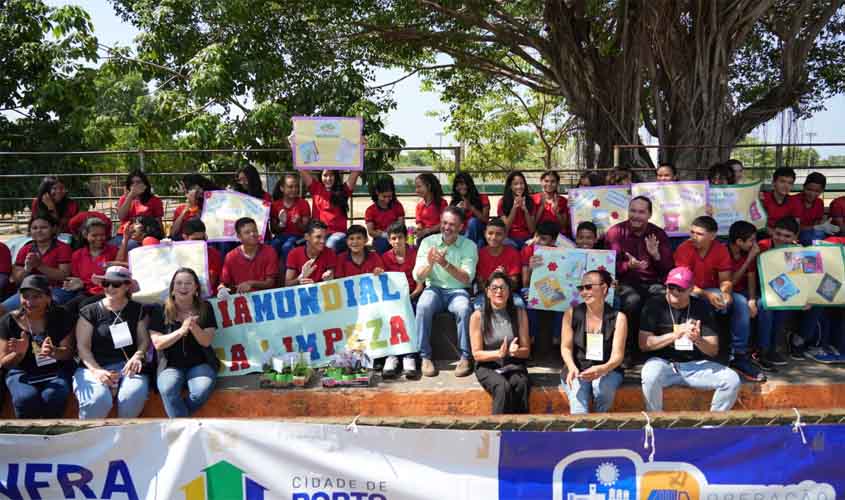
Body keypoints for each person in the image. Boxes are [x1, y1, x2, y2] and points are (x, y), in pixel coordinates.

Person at [674, 216, 764, 382]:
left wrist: (727, 293)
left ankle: (739, 356)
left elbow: (725, 279)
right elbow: (683, 283)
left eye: (699, 234)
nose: (693, 237)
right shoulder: (684, 248)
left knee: (740, 302)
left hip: (713, 290)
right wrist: (708, 294)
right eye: (692, 232)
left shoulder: (720, 249)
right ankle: (692, 355)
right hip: (688, 291)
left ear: (712, 236)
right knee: (697, 298)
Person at [639, 267, 741, 412]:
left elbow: (713, 350)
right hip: (664, 364)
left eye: (680, 288)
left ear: (691, 289)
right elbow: (644, 344)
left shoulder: (702, 307)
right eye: (671, 287)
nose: (674, 291)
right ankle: (656, 422)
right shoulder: (654, 305)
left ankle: (711, 427)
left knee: (731, 379)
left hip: (695, 366)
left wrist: (698, 339)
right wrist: (675, 334)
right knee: (649, 375)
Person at [73, 266, 150, 419]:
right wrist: (97, 371)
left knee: (131, 396)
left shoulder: (138, 309)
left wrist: (138, 355)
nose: (109, 288)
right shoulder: (89, 311)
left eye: (115, 284)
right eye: (106, 283)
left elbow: (144, 340)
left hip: (127, 366)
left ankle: (124, 437)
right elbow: (82, 347)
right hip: (93, 366)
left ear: (127, 285)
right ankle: (88, 439)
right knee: (97, 400)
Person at [605, 196, 673, 363]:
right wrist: (628, 266)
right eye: (633, 211)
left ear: (649, 214)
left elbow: (668, 269)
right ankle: (626, 352)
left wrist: (656, 255)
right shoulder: (615, 233)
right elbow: (606, 269)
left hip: (653, 282)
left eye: (641, 212)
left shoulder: (658, 234)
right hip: (625, 282)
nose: (636, 215)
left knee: (659, 299)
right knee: (632, 301)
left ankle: (655, 350)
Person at [413, 206, 478, 377]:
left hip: (458, 290)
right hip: (433, 288)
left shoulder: (469, 246)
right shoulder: (428, 242)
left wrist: (444, 264)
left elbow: (467, 279)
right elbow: (418, 277)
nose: (446, 227)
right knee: (423, 307)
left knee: (464, 309)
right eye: (444, 223)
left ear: (461, 227)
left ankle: (466, 357)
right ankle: (424, 357)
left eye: (452, 224)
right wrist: (430, 264)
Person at [0, 275, 76, 418]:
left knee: (53, 395)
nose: (29, 302)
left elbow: (69, 352)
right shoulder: (8, 321)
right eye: (25, 296)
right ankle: (27, 437)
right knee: (25, 398)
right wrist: (19, 354)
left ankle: (50, 436)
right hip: (21, 371)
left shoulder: (62, 316)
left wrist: (55, 352)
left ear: (48, 297)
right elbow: (3, 362)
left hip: (56, 369)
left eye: (36, 296)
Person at [755, 217, 827, 364]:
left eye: (787, 236)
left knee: (818, 300)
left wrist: (807, 297)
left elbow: (812, 277)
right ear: (772, 232)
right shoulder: (762, 246)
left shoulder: (799, 250)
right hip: (763, 291)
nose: (781, 238)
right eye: (778, 233)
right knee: (769, 305)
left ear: (795, 237)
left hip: (787, 291)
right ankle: (765, 350)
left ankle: (798, 340)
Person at [149, 268, 219, 417]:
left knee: (201, 391)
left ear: (196, 288)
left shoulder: (205, 307)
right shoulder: (160, 309)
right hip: (170, 365)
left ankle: (180, 422)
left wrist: (193, 326)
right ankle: (184, 428)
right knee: (167, 390)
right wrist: (181, 331)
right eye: (179, 283)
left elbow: (206, 341)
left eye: (188, 283)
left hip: (200, 363)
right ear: (172, 288)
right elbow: (158, 343)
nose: (183, 287)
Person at [561, 270, 627, 414]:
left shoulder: (619, 318)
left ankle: (600, 427)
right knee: (578, 407)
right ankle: (582, 435)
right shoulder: (571, 314)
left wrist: (602, 369)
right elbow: (566, 347)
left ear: (604, 289)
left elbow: (618, 356)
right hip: (578, 369)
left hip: (608, 370)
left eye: (589, 287)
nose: (584, 292)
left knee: (603, 388)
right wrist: (572, 367)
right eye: (581, 288)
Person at [469, 271, 531, 414]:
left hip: (512, 362)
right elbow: (477, 354)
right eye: (494, 288)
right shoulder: (478, 316)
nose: (499, 291)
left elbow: (526, 350)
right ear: (487, 291)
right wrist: (498, 354)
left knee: (522, 383)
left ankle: (520, 430)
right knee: (502, 387)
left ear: (509, 291)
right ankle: (497, 431)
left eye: (503, 287)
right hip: (488, 365)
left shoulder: (519, 313)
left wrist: (514, 352)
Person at [0, 214, 74, 317]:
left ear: (53, 229)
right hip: (28, 291)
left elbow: (64, 276)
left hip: (55, 289)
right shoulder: (25, 249)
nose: (39, 231)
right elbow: (17, 280)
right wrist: (27, 269)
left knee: (41, 308)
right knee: (2, 309)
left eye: (44, 227)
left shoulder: (63, 248)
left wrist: (39, 265)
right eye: (34, 228)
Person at [381, 221, 423, 379]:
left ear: (406, 238)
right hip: (392, 299)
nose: (397, 241)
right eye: (393, 238)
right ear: (389, 240)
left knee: (411, 311)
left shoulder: (415, 254)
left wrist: (409, 297)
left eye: (400, 237)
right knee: (388, 314)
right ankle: (391, 356)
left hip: (413, 295)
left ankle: (409, 356)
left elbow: (420, 285)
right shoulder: (385, 258)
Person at [63, 217, 126, 319]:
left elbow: (122, 271)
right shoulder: (77, 255)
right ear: (85, 235)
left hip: (107, 293)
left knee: (84, 306)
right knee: (65, 309)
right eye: (94, 235)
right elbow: (77, 280)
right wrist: (74, 283)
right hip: (86, 292)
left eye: (102, 235)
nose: (99, 238)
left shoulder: (114, 251)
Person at [521, 221, 565, 342]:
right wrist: (530, 268)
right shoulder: (528, 250)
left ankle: (557, 339)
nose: (538, 241)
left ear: (553, 242)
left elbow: (561, 280)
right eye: (536, 236)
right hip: (530, 287)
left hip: (550, 287)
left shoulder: (559, 253)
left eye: (543, 239)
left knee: (562, 301)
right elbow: (525, 282)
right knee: (528, 299)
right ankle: (531, 339)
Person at [300, 169, 360, 253]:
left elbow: (356, 170)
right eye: (325, 175)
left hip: (337, 234)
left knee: (329, 246)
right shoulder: (316, 188)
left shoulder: (343, 190)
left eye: (331, 175)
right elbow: (302, 169)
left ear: (336, 176)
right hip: (319, 233)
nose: (328, 178)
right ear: (320, 176)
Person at [219, 217, 279, 294]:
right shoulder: (230, 257)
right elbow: (224, 283)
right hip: (241, 301)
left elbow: (271, 282)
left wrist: (251, 283)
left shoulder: (269, 251)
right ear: (239, 237)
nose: (252, 234)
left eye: (255, 231)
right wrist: (222, 289)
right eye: (247, 232)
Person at [475, 218, 522, 308]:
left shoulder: (513, 253)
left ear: (505, 235)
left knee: (519, 305)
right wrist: (493, 278)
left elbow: (514, 285)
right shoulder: (480, 253)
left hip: (508, 293)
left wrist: (505, 277)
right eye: (490, 233)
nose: (493, 237)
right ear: (485, 234)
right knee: (479, 307)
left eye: (499, 234)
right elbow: (480, 286)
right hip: (486, 294)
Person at [114, 169, 164, 249]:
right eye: (132, 183)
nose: (135, 185)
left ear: (145, 184)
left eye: (138, 182)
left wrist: (161, 237)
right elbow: (121, 217)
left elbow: (158, 221)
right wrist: (130, 196)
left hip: (142, 235)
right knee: (113, 247)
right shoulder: (124, 199)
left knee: (129, 246)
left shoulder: (154, 200)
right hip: (124, 234)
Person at [269, 173, 311, 264]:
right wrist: (281, 224)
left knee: (287, 247)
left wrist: (298, 222)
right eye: (290, 187)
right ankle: (271, 275)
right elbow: (273, 230)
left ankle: (287, 276)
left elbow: (306, 229)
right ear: (282, 188)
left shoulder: (303, 203)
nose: (294, 189)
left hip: (298, 237)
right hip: (280, 237)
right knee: (272, 246)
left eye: (296, 186)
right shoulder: (275, 205)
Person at [285, 220, 337, 286]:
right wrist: (300, 278)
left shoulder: (330, 253)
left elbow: (331, 276)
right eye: (318, 237)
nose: (323, 241)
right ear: (306, 237)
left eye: (325, 237)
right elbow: (287, 284)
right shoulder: (294, 254)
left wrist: (329, 278)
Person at [365, 176, 405, 254]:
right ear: (377, 192)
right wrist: (384, 235)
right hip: (381, 240)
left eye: (389, 196)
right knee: (382, 244)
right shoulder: (370, 210)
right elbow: (370, 232)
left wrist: (390, 235)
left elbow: (401, 226)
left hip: (396, 237)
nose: (387, 200)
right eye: (384, 196)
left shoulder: (397, 206)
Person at [182, 219, 222, 294]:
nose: (200, 242)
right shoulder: (177, 253)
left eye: (202, 239)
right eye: (195, 239)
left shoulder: (213, 254)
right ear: (185, 237)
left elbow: (210, 282)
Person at [498, 171, 536, 249]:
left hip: (527, 238)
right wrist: (514, 207)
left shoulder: (530, 201)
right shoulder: (503, 202)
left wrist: (525, 210)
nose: (519, 187)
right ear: (510, 186)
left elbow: (532, 229)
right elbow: (506, 228)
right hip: (510, 238)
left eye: (521, 183)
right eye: (515, 184)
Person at [796, 172, 836, 245]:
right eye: (809, 189)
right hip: (796, 235)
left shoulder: (819, 202)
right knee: (816, 238)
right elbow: (795, 228)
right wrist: (816, 227)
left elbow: (817, 223)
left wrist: (823, 225)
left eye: (817, 191)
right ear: (803, 187)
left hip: (813, 234)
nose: (812, 194)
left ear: (822, 191)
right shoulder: (795, 201)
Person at [450, 172, 490, 246]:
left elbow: (485, 220)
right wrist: (457, 210)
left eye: (462, 184)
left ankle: (466, 246)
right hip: (462, 232)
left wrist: (470, 207)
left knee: (472, 222)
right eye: (457, 185)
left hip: (478, 230)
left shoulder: (483, 198)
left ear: (469, 184)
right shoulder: (455, 201)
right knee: (479, 243)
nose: (459, 187)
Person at [761, 167, 801, 233]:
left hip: (785, 236)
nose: (786, 186)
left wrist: (793, 240)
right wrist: (774, 234)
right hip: (765, 234)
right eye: (782, 181)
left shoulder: (794, 202)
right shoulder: (763, 198)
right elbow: (758, 223)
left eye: (790, 183)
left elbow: (797, 226)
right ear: (773, 183)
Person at [169, 175, 210, 239]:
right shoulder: (180, 209)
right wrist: (184, 211)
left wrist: (196, 209)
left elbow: (205, 229)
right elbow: (173, 233)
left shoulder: (204, 208)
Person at [532, 171, 569, 238]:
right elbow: (532, 225)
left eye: (553, 181)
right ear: (541, 182)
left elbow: (563, 226)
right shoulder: (533, 199)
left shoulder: (563, 201)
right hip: (540, 237)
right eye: (546, 181)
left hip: (558, 237)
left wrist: (556, 212)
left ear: (557, 183)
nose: (549, 184)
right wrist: (541, 207)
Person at [415, 173, 447, 242]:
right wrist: (419, 229)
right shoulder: (419, 206)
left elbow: (444, 223)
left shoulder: (442, 203)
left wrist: (427, 231)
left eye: (419, 186)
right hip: (424, 237)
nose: (416, 190)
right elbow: (419, 223)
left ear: (429, 186)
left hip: (439, 235)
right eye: (416, 187)